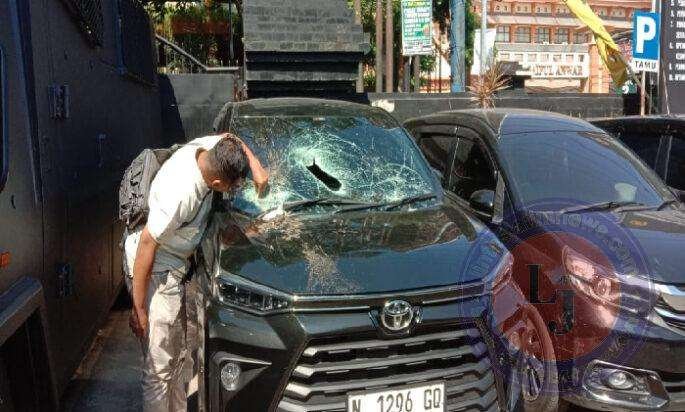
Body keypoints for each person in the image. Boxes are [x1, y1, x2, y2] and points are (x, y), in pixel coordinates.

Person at [124, 133, 268, 412]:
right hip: (157, 271)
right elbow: (146, 245)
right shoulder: (180, 195)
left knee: (180, 360)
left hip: (179, 266)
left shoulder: (211, 149)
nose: (235, 190)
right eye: (232, 187)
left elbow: (231, 138)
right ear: (217, 184)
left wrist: (256, 166)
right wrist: (139, 309)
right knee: (159, 368)